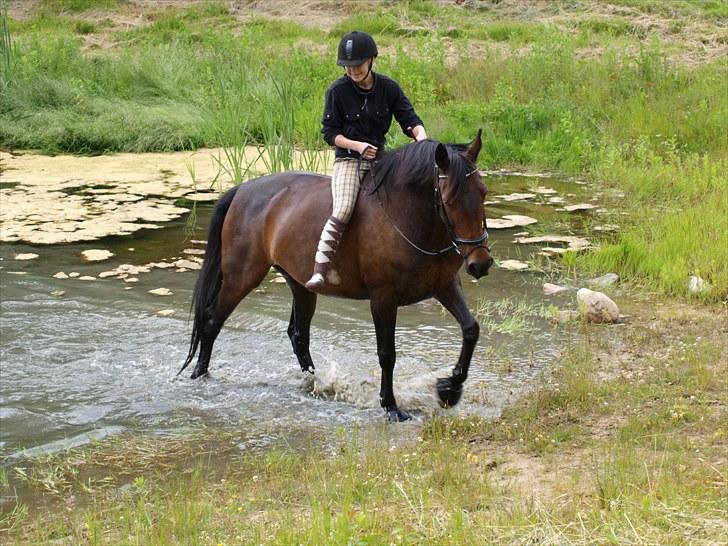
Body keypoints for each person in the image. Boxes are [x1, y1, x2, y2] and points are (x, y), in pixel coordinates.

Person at [305, 31, 428, 291]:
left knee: (412, 199)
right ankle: (320, 270)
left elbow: (410, 120)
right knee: (344, 209)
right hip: (349, 160)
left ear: (371, 60)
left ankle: (422, 268)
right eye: (348, 66)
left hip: (381, 161)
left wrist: (422, 139)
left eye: (358, 65)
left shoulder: (389, 88)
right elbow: (329, 134)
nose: (353, 70)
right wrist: (357, 146)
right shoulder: (337, 91)